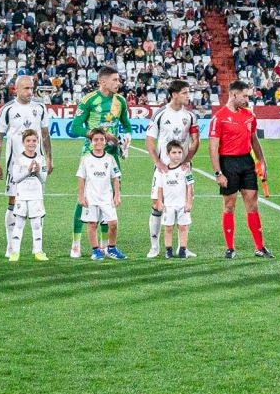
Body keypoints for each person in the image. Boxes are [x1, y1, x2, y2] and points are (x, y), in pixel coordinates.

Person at [66, 66, 131, 258]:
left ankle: (105, 246)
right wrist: (96, 135)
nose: (118, 83)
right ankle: (76, 243)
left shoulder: (120, 101)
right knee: (84, 200)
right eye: (114, 80)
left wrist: (127, 138)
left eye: (118, 80)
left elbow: (126, 125)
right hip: (90, 155)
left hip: (112, 156)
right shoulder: (88, 100)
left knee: (108, 200)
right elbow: (74, 127)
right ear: (102, 82)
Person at [209, 80, 272, 258]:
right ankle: (230, 248)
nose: (247, 99)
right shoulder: (219, 117)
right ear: (234, 95)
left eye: (248, 96)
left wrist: (262, 161)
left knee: (252, 204)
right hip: (228, 163)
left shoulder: (249, 115)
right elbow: (213, 147)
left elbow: (254, 140)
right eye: (244, 96)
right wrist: (218, 172)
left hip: (246, 162)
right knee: (229, 205)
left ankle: (260, 247)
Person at [0, 74, 52, 260]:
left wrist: (49, 158)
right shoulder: (7, 110)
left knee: (37, 202)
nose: (30, 91)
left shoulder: (40, 108)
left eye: (31, 87)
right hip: (15, 166)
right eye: (26, 88)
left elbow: (45, 135)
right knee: (13, 203)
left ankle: (38, 248)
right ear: (16, 89)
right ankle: (11, 246)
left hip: (37, 164)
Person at [145, 79, 200, 256]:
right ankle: (155, 247)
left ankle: (182, 247)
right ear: (174, 94)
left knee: (185, 205)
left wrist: (187, 160)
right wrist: (157, 162)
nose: (188, 96)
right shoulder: (160, 114)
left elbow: (195, 140)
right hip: (163, 169)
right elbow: (149, 140)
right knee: (157, 205)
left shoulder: (190, 116)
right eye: (184, 92)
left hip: (183, 169)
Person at [76, 128, 124, 261]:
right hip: (91, 197)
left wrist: (117, 195)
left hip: (106, 197)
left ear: (105, 141)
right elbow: (81, 178)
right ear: (91, 142)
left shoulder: (110, 159)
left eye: (101, 139)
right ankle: (96, 250)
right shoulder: (86, 159)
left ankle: (112, 249)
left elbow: (115, 178)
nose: (99, 142)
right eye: (95, 139)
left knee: (113, 223)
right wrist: (81, 196)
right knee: (92, 225)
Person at [5, 128, 50, 261]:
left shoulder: (41, 159)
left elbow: (44, 179)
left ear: (38, 142)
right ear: (23, 142)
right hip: (22, 196)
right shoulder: (18, 159)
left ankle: (38, 251)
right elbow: (16, 178)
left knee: (37, 225)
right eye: (28, 140)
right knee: (19, 224)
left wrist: (36, 172)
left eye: (34, 140)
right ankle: (14, 252)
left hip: (36, 196)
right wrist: (28, 170)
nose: (31, 143)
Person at [153, 140, 195, 258]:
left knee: (183, 227)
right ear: (168, 154)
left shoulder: (185, 169)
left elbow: (189, 186)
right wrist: (160, 202)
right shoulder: (163, 170)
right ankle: (168, 250)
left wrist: (189, 202)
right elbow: (160, 188)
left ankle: (182, 249)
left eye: (179, 152)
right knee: (168, 228)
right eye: (174, 152)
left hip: (182, 204)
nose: (177, 155)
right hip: (169, 206)